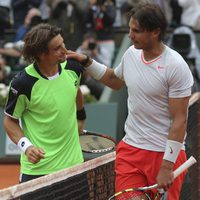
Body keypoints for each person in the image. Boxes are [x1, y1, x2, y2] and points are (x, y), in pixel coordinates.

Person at [66, 2, 194, 200]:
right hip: (131, 150)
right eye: (129, 29)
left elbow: (180, 120)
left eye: (136, 31)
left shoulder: (176, 66)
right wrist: (86, 61)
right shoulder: (131, 54)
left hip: (164, 155)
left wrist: (167, 165)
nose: (130, 35)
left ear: (155, 32)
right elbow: (114, 81)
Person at [3, 23, 86, 183]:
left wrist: (81, 116)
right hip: (38, 172)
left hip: (74, 167)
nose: (64, 50)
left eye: (63, 44)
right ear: (41, 54)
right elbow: (9, 120)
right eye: (57, 48)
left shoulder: (73, 67)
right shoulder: (23, 83)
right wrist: (26, 147)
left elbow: (75, 91)